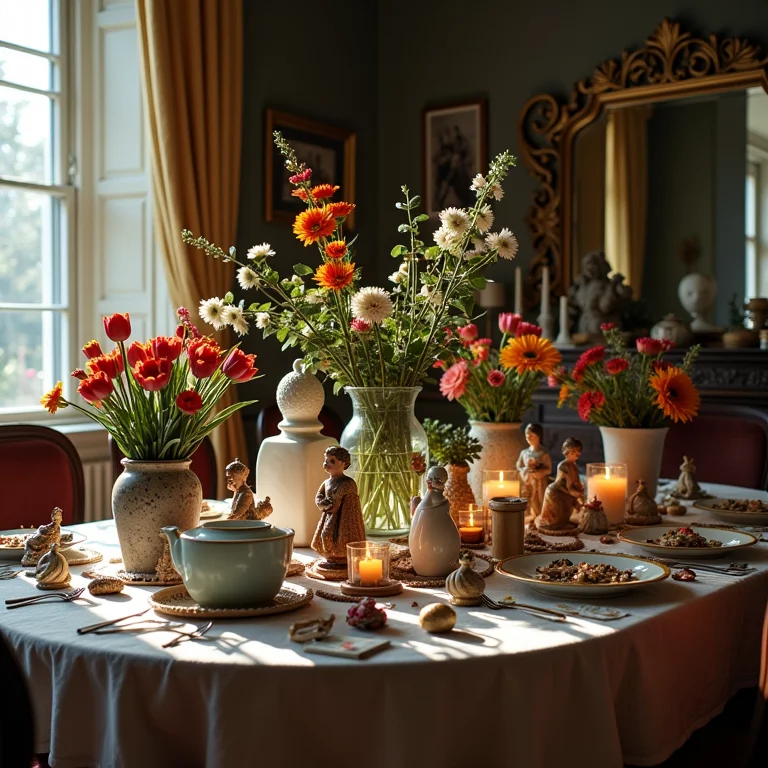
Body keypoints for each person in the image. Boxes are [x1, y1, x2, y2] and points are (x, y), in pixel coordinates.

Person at [311, 446, 365, 564]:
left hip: (344, 521)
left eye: (332, 461)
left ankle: (341, 557)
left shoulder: (348, 483)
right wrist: (321, 503)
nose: (327, 464)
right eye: (326, 460)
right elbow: (319, 496)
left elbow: (336, 503)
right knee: (325, 536)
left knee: (335, 537)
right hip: (329, 516)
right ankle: (331, 556)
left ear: (343, 463)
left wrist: (329, 505)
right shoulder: (327, 483)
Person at [537, 437, 584, 532]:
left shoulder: (574, 466)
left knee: (567, 512)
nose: (578, 454)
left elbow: (576, 482)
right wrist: (577, 495)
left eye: (579, 451)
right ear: (567, 451)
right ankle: (555, 525)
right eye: (575, 451)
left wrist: (580, 489)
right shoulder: (563, 466)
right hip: (557, 491)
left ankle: (562, 523)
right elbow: (569, 486)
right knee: (557, 519)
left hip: (566, 492)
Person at [516, 424, 552, 520]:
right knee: (528, 500)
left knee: (539, 500)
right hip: (528, 482)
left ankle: (540, 518)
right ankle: (530, 519)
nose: (529, 438)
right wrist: (526, 469)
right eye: (527, 435)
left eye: (532, 435)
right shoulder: (524, 453)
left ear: (538, 436)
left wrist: (538, 472)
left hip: (540, 483)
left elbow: (549, 469)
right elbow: (519, 465)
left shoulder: (543, 453)